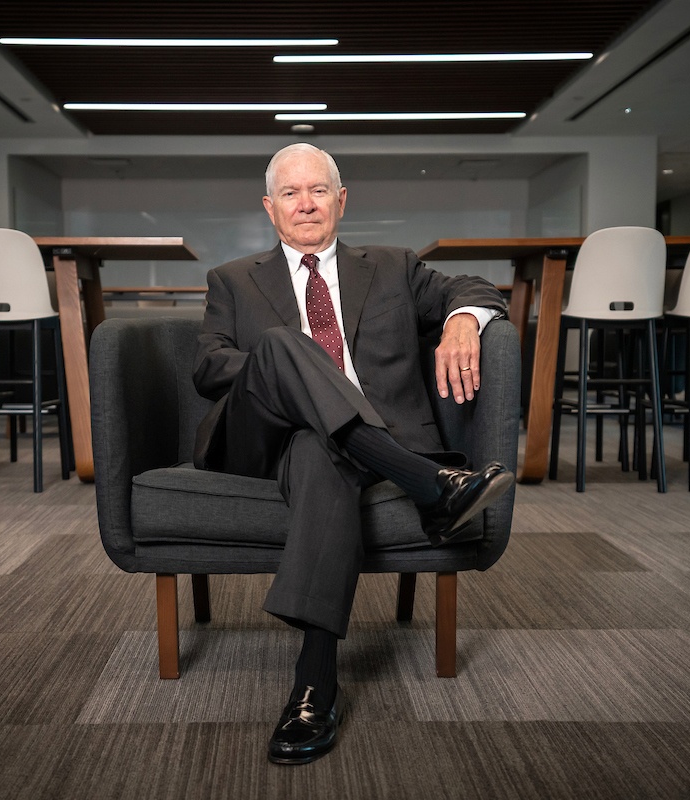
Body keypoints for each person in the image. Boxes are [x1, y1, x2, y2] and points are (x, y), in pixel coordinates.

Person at [193, 143, 513, 765]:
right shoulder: (232, 279)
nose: (306, 204)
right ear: (269, 207)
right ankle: (430, 483)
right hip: (265, 437)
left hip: (341, 445)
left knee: (322, 450)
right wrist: (290, 367)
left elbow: (475, 285)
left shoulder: (393, 267)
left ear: (342, 201)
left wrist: (462, 322)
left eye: (318, 191)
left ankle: (315, 684)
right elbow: (208, 367)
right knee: (285, 346)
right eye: (291, 193)